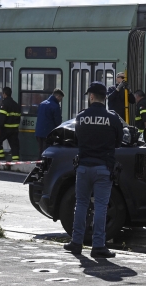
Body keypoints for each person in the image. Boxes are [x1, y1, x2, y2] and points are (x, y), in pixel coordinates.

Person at [63, 81, 123, 258]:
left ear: (91, 96)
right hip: (104, 168)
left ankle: (76, 243)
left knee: (81, 204)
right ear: (104, 98)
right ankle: (98, 246)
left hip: (83, 167)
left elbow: (76, 139)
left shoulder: (81, 117)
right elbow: (119, 142)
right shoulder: (112, 118)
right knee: (101, 207)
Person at [0, 87, 21, 161]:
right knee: (14, 146)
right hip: (14, 130)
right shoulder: (16, 105)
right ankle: (16, 162)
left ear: (4, 94)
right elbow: (18, 119)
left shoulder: (4, 104)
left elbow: (2, 118)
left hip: (5, 129)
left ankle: (1, 159)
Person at [35, 88, 64, 155]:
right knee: (47, 152)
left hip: (38, 132)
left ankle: (39, 164)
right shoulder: (55, 106)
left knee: (41, 151)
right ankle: (45, 165)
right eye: (61, 98)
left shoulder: (42, 104)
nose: (60, 100)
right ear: (58, 96)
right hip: (48, 133)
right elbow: (58, 121)